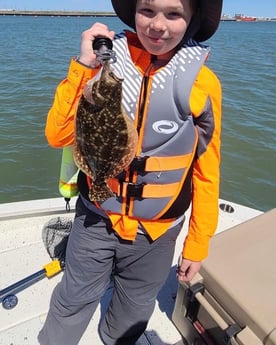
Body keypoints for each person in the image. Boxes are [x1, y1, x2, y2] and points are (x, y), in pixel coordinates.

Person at [38, 0, 223, 344]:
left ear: (193, 18)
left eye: (173, 14)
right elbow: (57, 134)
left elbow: (207, 171)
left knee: (134, 309)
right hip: (96, 216)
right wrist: (82, 66)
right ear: (133, 11)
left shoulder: (203, 84)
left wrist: (197, 244)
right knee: (72, 298)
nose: (158, 25)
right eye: (147, 10)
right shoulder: (102, 67)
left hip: (157, 232)